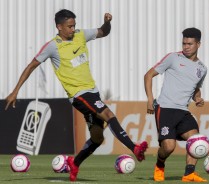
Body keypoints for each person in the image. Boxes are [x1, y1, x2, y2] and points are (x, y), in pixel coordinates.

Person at [5, 9, 148, 182]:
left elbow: (104, 32)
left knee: (97, 137)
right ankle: (135, 149)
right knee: (109, 114)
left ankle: (75, 163)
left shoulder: (81, 35)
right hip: (79, 95)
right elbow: (31, 66)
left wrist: (107, 22)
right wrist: (15, 91)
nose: (73, 29)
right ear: (59, 27)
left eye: (74, 26)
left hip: (93, 92)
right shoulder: (52, 46)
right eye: (69, 26)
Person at [144, 27, 207, 182]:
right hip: (165, 108)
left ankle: (189, 173)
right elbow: (148, 75)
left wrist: (198, 98)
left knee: (197, 140)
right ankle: (159, 165)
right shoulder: (173, 58)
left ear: (198, 44)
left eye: (190, 44)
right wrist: (150, 99)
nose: (186, 46)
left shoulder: (202, 69)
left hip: (183, 111)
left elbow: (195, 88)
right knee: (169, 147)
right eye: (184, 43)